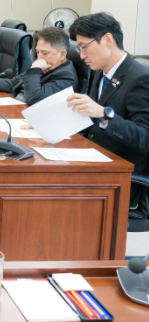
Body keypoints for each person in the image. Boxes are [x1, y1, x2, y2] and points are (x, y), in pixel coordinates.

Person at [66, 12, 149, 218]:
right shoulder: (101, 72)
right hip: (95, 160)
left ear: (108, 39)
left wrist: (104, 114)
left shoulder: (140, 78)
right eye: (79, 49)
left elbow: (144, 139)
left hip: (120, 175)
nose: (82, 55)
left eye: (84, 47)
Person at [0, 27, 78, 106]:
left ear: (62, 54)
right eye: (38, 52)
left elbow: (34, 99)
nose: (40, 57)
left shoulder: (65, 77)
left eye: (45, 53)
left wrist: (35, 70)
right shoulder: (46, 66)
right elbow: (13, 83)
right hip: (15, 107)